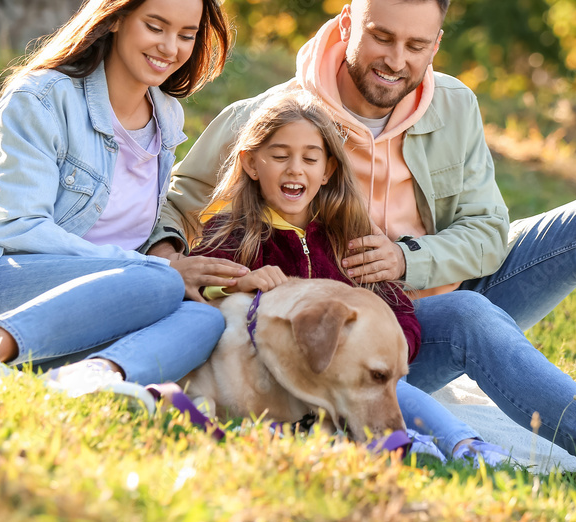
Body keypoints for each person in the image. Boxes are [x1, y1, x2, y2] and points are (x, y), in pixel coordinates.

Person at [149, 0, 576, 517]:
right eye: (381, 36)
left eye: (416, 45)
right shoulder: (275, 119)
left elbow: (486, 234)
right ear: (348, 24)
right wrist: (175, 263)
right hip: (367, 333)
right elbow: (180, 201)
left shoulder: (453, 106)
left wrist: (405, 258)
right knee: (470, 312)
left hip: (435, 286)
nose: (396, 59)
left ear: (436, 43)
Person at [0, 0, 250, 403]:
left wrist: (171, 260)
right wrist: (151, 267)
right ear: (115, 17)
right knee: (162, 281)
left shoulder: (166, 118)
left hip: (103, 302)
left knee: (207, 318)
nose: (170, 48)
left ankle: (90, 376)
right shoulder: (40, 98)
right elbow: (19, 228)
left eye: (186, 35)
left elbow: (134, 233)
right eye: (155, 26)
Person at [174, 89, 508, 464]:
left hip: (350, 375)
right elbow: (197, 290)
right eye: (280, 156)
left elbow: (397, 311)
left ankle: (464, 444)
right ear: (252, 164)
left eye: (310, 158)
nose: (295, 169)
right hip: (271, 377)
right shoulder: (233, 232)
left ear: (328, 169)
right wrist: (241, 282)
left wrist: (381, 349)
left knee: (388, 387)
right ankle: (396, 440)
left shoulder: (347, 235)